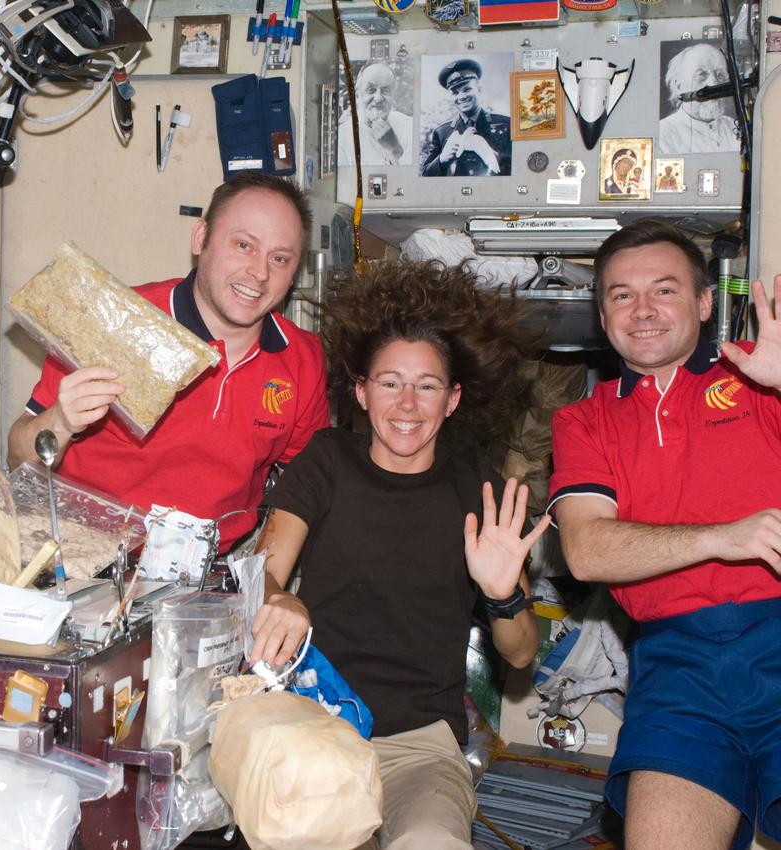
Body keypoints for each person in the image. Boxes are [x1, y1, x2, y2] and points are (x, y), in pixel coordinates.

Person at [249, 259, 547, 849]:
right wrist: (283, 600)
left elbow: (522, 655)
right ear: (361, 390)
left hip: (421, 748)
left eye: (427, 385)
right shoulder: (328, 461)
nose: (407, 404)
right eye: (389, 382)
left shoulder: (478, 490)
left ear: (453, 399)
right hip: (315, 727)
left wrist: (501, 593)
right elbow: (260, 573)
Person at [549, 219, 781, 850]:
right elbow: (587, 550)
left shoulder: (761, 383)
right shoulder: (583, 420)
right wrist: (721, 537)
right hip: (677, 668)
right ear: (603, 315)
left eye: (665, 290)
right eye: (622, 295)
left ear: (706, 303)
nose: (643, 309)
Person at [6, 173, 330, 552]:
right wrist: (60, 422)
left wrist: (267, 580)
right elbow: (18, 456)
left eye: (279, 258)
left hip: (213, 572)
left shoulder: (301, 358)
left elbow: (304, 488)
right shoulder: (118, 322)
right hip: (82, 560)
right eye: (244, 245)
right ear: (200, 239)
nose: (259, 273)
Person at [421, 58, 511, 177]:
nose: (461, 96)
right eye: (455, 93)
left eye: (467, 89)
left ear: (479, 90)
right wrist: (441, 160)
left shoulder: (506, 124)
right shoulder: (441, 132)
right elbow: (425, 175)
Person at [658, 43, 740, 154]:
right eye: (701, 75)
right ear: (679, 85)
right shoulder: (662, 135)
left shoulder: (736, 127)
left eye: (720, 75)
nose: (714, 83)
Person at [350, 62, 414, 167]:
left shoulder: (409, 127)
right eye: (371, 90)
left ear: (393, 96)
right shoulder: (344, 136)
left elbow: (412, 178)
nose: (378, 98)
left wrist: (395, 149)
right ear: (357, 96)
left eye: (386, 90)